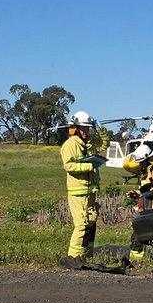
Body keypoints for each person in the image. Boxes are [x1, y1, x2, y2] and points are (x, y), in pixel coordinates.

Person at [59, 111, 104, 270]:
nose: (86, 131)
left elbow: (102, 143)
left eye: (88, 128)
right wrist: (88, 165)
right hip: (78, 192)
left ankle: (86, 253)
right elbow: (68, 166)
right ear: (76, 128)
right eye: (83, 128)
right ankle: (73, 257)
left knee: (91, 221)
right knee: (81, 224)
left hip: (89, 191)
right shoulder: (71, 144)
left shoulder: (86, 143)